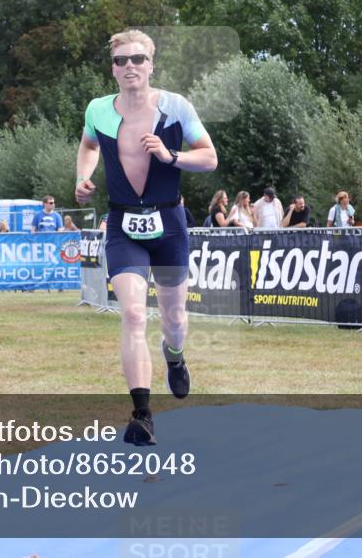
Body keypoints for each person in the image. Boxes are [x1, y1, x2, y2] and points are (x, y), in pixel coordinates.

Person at [74, 29, 217, 446]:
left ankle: (175, 354)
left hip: (169, 222)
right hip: (123, 224)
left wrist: (171, 156)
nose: (130, 66)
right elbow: (88, 146)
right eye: (121, 60)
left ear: (151, 65)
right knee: (134, 315)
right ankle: (142, 415)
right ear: (113, 69)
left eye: (138, 59)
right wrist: (83, 178)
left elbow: (209, 157)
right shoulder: (98, 109)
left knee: (174, 319)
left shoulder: (176, 107)